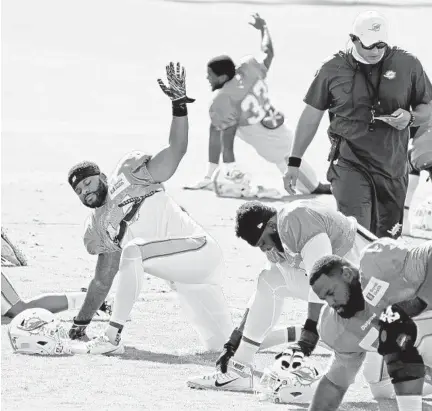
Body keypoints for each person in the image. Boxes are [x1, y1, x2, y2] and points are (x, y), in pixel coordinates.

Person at [67, 62, 233, 355]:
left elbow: (176, 150)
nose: (86, 191)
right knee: (225, 346)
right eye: (79, 191)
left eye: (89, 183)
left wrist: (179, 106)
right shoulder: (98, 227)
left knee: (134, 252)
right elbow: (103, 279)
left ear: (103, 177)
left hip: (201, 251)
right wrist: (80, 324)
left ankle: (111, 336)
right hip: (184, 278)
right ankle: (303, 336)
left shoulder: (131, 175)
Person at [187, 199, 378, 392]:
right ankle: (240, 369)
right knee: (270, 278)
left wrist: (309, 334)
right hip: (349, 286)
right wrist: (235, 338)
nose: (264, 249)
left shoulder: (295, 218)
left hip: (378, 285)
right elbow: (263, 290)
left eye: (262, 242)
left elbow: (323, 277)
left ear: (270, 224)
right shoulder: (278, 239)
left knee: (381, 385)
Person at [283, 10, 432, 238]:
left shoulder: (407, 64)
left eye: (381, 45)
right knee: (356, 235)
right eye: (369, 45)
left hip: (393, 167)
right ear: (353, 39)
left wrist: (411, 118)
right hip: (349, 162)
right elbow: (311, 115)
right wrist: (294, 161)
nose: (375, 51)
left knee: (386, 245)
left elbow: (427, 106)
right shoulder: (332, 68)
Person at [184, 13, 330, 198]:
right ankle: (209, 174)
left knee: (309, 184)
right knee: (215, 125)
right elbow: (268, 51)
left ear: (222, 77)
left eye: (210, 75)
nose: (207, 78)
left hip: (271, 140)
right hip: (266, 121)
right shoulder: (249, 69)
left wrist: (230, 168)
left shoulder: (224, 99)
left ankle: (316, 186)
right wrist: (264, 28)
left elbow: (227, 145)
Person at [305, 239, 432, 411]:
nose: (330, 303)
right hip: (415, 349)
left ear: (347, 275)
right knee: (380, 384)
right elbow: (335, 384)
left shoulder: (376, 264)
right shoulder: (337, 326)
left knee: (393, 324)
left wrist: (419, 301)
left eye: (331, 293)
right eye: (324, 299)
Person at [403, 119, 432, 236]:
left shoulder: (424, 110)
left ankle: (405, 222)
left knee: (408, 191)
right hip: (425, 154)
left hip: (418, 155)